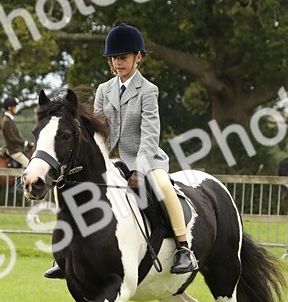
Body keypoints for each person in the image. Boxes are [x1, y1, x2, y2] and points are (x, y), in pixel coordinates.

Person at [44, 23, 199, 279]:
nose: (118, 63)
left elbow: (150, 135)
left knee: (162, 185)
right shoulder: (105, 90)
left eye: (123, 57)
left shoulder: (148, 91)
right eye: (114, 58)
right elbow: (98, 131)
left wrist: (139, 168)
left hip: (145, 157)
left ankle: (183, 247)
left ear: (138, 57)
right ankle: (65, 253)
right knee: (73, 187)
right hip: (112, 160)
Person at [0, 99, 29, 168]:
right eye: (14, 107)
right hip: (12, 150)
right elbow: (12, 138)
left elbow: (17, 136)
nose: (15, 108)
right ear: (10, 108)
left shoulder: (10, 119)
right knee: (28, 165)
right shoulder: (6, 121)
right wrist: (25, 143)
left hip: (15, 148)